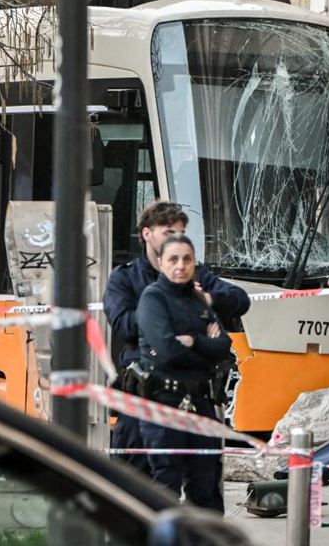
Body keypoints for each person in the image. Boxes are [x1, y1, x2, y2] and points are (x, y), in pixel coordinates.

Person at [103, 201, 250, 475]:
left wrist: (207, 299)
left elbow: (239, 300)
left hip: (194, 395)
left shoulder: (195, 273)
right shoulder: (125, 279)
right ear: (147, 234)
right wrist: (170, 314)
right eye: (169, 233)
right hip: (145, 397)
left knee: (203, 487)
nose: (177, 240)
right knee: (135, 482)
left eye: (181, 233)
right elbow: (124, 326)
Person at [135, 233, 232, 510]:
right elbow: (167, 350)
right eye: (173, 259)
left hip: (201, 402)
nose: (181, 266)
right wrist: (205, 346)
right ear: (161, 263)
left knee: (205, 486)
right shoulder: (153, 299)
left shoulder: (198, 300)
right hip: (164, 403)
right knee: (166, 485)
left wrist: (193, 341)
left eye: (187, 259)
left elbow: (224, 346)